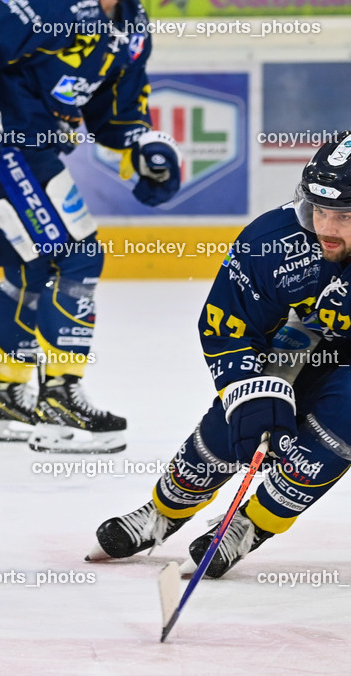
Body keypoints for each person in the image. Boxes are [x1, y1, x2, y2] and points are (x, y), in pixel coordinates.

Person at [88, 134, 351, 577]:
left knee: (339, 424)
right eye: (318, 209)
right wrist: (250, 393)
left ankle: (249, 526)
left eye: (342, 215)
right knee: (243, 416)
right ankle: (163, 510)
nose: (324, 226)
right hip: (311, 336)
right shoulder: (275, 242)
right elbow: (227, 327)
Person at [0, 0, 182, 452]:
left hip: (36, 150)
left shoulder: (132, 23)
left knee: (30, 269)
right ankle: (59, 400)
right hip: (3, 147)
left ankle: (8, 395)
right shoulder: (52, 0)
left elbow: (117, 108)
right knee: (78, 258)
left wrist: (144, 148)